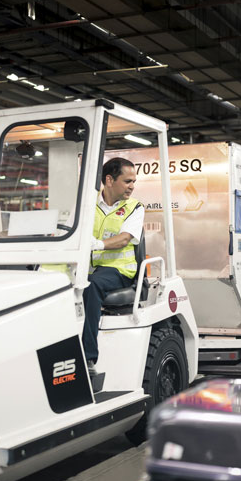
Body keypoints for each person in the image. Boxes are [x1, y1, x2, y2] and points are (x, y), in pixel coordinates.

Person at [83, 157, 145, 375]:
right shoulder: (88, 205)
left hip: (120, 271)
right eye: (127, 181)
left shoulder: (134, 208)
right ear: (109, 180)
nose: (132, 186)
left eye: (133, 181)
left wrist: (96, 244)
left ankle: (87, 357)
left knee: (90, 286)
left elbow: (124, 239)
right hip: (89, 268)